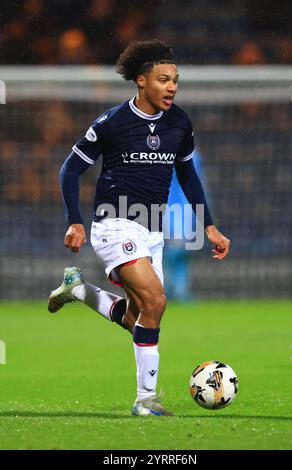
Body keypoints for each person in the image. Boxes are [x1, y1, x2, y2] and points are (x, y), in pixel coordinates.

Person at [48, 39, 230, 417]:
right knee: (157, 302)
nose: (172, 87)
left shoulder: (180, 123)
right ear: (141, 81)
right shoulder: (112, 122)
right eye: (164, 80)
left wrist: (209, 226)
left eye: (175, 80)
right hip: (114, 225)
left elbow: (188, 176)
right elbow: (70, 169)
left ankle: (80, 291)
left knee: (140, 318)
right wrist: (74, 221)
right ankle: (145, 401)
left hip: (152, 231)